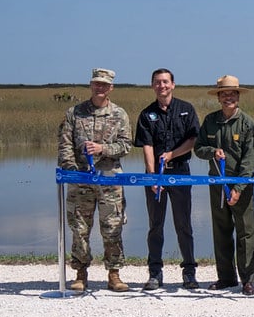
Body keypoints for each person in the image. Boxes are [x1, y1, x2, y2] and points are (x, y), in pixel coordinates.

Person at [57, 67, 132, 293]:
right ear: (91, 85)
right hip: (81, 180)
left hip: (109, 179)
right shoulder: (75, 113)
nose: (100, 87)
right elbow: (65, 144)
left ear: (111, 88)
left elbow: (126, 145)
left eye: (104, 84)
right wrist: (73, 171)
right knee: (79, 228)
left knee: (112, 227)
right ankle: (80, 273)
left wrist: (103, 149)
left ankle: (114, 274)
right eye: (96, 83)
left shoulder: (119, 114)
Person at [133, 68, 200, 291]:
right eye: (157, 82)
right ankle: (155, 272)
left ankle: (189, 272)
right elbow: (147, 146)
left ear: (173, 84)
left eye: (165, 82)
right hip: (156, 175)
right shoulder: (147, 114)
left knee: (184, 225)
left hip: (180, 172)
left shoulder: (186, 109)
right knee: (156, 225)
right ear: (152, 86)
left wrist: (172, 154)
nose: (161, 85)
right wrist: (153, 177)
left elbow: (193, 140)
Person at [194, 75, 254, 295]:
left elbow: (250, 158)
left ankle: (247, 280)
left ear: (238, 96)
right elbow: (198, 148)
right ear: (219, 97)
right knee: (221, 231)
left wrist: (238, 189)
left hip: (241, 185)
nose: (228, 97)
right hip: (216, 184)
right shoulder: (210, 121)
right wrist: (212, 152)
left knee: (245, 232)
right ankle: (226, 277)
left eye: (232, 94)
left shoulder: (247, 123)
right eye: (224, 94)